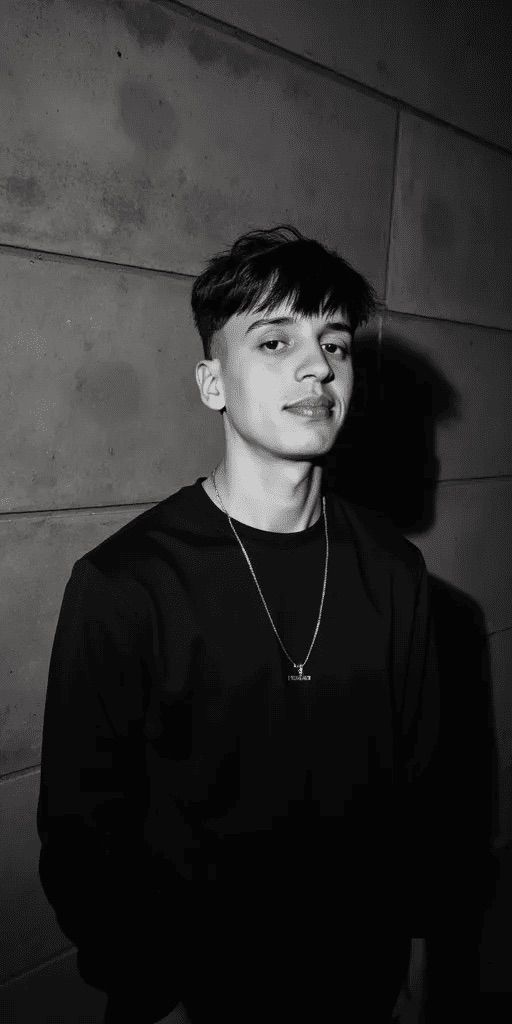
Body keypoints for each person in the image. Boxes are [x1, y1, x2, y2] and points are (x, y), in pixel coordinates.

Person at [37, 226, 443, 1023]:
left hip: (361, 984)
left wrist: (419, 946)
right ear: (211, 382)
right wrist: (152, 996)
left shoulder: (395, 569)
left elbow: (422, 790)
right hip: (195, 997)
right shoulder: (125, 584)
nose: (318, 367)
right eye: (275, 340)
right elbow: (83, 834)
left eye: (335, 344)